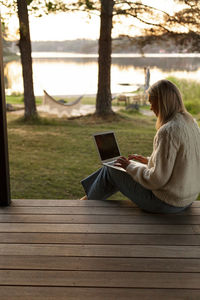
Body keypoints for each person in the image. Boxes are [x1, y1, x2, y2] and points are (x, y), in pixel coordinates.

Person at [80, 79, 200, 213]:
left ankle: (85, 204)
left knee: (112, 169)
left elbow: (157, 180)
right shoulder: (191, 123)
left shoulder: (168, 131)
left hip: (166, 202)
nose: (150, 107)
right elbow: (181, 163)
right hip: (186, 199)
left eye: (150, 102)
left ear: (160, 102)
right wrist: (148, 161)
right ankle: (87, 198)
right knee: (115, 166)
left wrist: (129, 166)